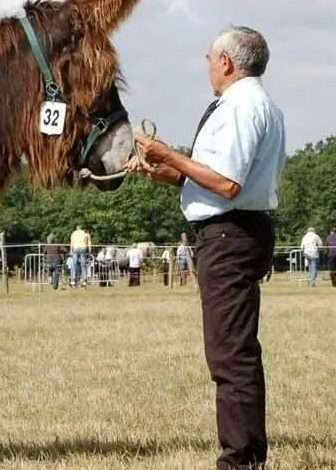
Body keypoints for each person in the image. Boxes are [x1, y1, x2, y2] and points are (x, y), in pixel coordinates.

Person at [131, 25, 286, 470]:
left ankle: (239, 459)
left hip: (228, 235)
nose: (206, 65)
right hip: (241, 228)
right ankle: (248, 454)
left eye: (208, 57)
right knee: (236, 349)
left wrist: (170, 154)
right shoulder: (263, 106)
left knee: (230, 353)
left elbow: (227, 183)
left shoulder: (240, 107)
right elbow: (218, 180)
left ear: (226, 62)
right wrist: (165, 171)